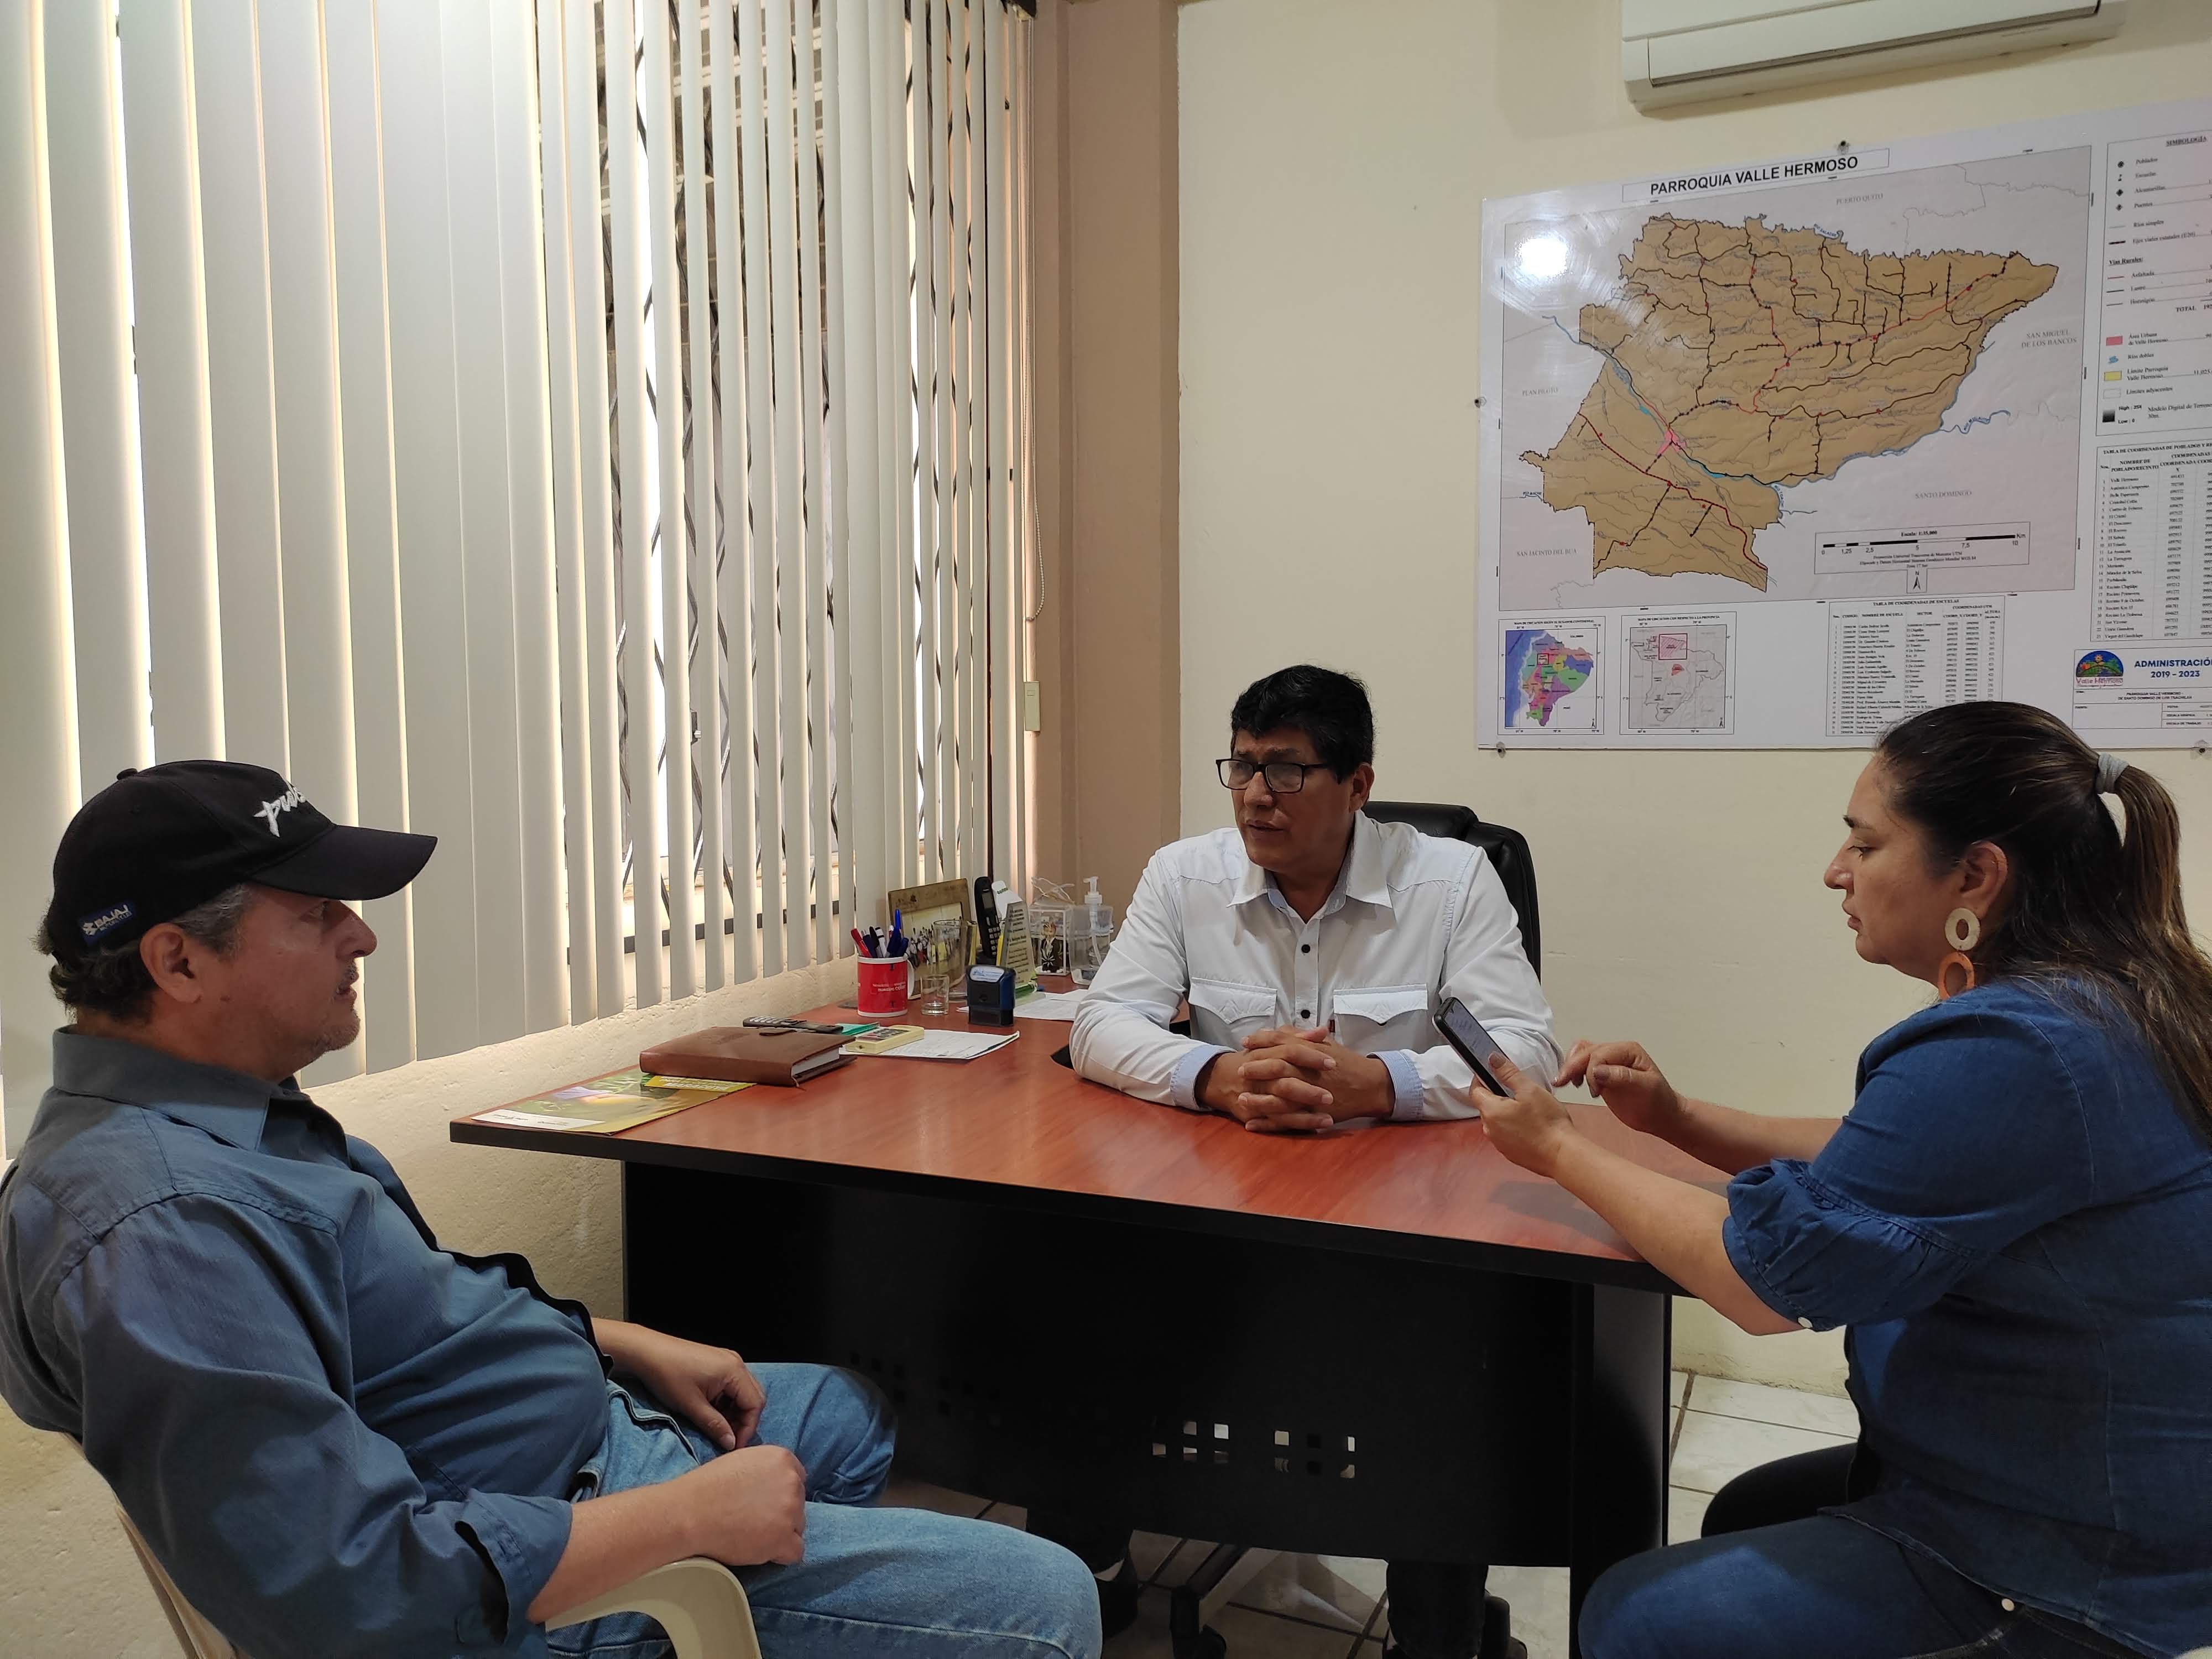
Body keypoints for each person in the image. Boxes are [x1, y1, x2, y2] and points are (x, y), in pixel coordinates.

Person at [0, 761, 1099, 1659]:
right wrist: (686, 1521)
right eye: (317, 914)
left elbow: (401, 1330)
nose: (361, 938)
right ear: (179, 962)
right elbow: (354, 1591)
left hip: (565, 1445)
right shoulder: (158, 1227)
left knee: (846, 1412)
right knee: (1045, 1605)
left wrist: (609, 1342)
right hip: (544, 1558)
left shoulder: (227, 1114)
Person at [1467, 703, 2212, 1659]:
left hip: (2074, 1560)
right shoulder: (2113, 992)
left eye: (1865, 843)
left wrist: (1559, 1149)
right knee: (1745, 1510)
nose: (1836, 871)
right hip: (2065, 1477)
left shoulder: (2021, 1045)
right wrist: (1678, 1118)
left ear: (1976, 875)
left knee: (1634, 1615)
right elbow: (1888, 1158)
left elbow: (1762, 1286)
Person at [1063, 664, 1559, 1658]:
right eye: (1242, 766)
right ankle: (1086, 1582)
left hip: (1401, 1236)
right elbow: (1098, 1023)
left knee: (1439, 1396)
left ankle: (1433, 1629)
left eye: (1287, 771)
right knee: (1078, 1314)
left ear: (1359, 784)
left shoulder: (1452, 881)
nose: (1256, 795)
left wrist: (1381, 1084)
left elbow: (1526, 1054)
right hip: (1220, 1222)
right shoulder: (1185, 875)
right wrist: (1213, 1076)